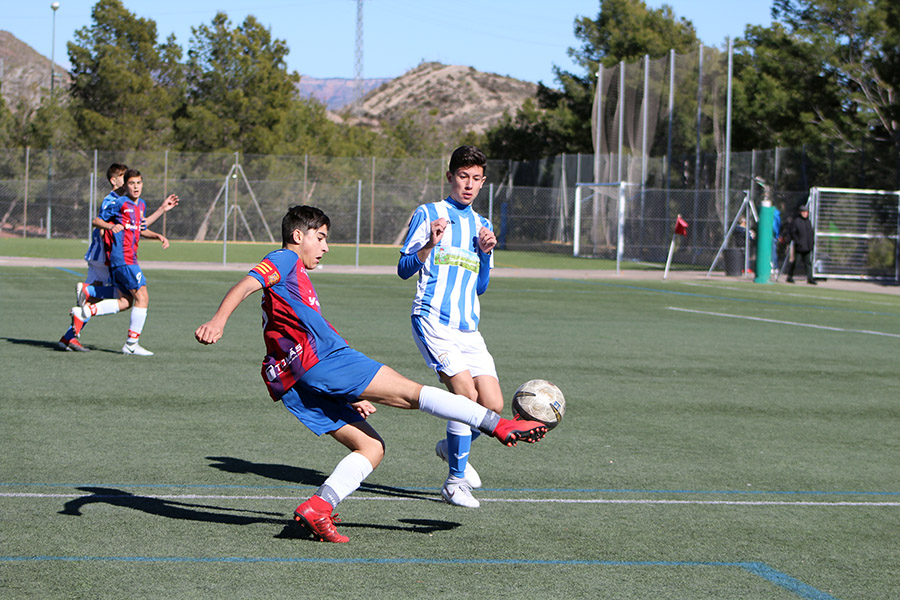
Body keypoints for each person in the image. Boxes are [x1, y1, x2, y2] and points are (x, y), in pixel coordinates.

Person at [194, 205, 547, 544]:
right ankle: (496, 424)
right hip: (325, 359)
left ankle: (319, 507)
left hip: (294, 379)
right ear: (298, 235)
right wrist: (217, 320)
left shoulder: (296, 278)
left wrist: (349, 394)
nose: (326, 247)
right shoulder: (285, 258)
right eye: (320, 238)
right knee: (411, 393)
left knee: (371, 447)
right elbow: (246, 283)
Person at [397, 145, 500, 509]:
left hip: (468, 327)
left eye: (475, 179)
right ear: (450, 177)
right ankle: (455, 482)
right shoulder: (429, 214)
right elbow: (404, 269)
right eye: (462, 177)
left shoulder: (483, 226)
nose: (468, 185)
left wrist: (485, 255)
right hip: (432, 319)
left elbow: (481, 286)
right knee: (464, 397)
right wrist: (429, 243)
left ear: (483, 182)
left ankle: (451, 447)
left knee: (493, 405)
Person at [57, 164, 178, 351]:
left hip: (112, 256)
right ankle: (87, 295)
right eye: (126, 178)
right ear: (115, 181)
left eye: (136, 181)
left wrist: (161, 211)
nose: (132, 184)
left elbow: (139, 225)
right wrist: (110, 231)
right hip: (107, 256)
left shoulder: (133, 202)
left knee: (124, 299)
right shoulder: (114, 200)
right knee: (127, 297)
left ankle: (69, 336)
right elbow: (99, 222)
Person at [786, 204, 816, 284]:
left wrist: (811, 243)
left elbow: (810, 233)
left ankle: (810, 278)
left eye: (806, 212)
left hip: (807, 246)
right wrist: (798, 241)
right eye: (803, 212)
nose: (805, 213)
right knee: (796, 262)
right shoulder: (796, 221)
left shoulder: (808, 222)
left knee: (808, 263)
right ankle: (790, 276)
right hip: (799, 247)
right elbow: (793, 233)